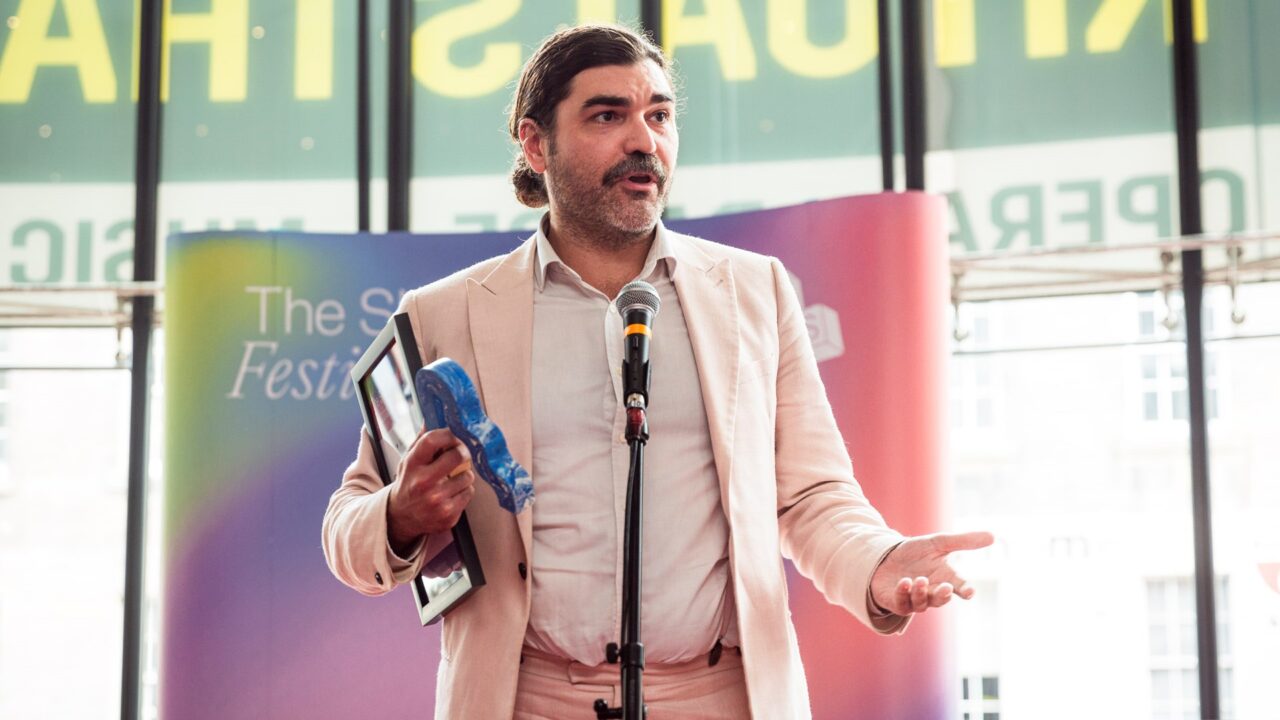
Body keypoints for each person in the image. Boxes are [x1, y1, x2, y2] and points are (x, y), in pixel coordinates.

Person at [322, 23, 992, 719]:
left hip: (721, 696)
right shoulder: (444, 314)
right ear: (535, 143)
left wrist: (879, 566)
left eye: (660, 115)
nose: (645, 140)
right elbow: (351, 522)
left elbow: (810, 496)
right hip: (523, 699)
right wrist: (400, 516)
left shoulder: (755, 290)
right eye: (608, 115)